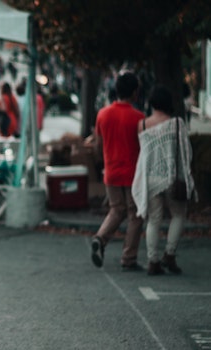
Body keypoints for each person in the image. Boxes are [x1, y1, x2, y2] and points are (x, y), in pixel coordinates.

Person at [132, 86, 194, 275]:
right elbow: (186, 152)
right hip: (172, 177)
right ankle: (170, 254)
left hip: (150, 178)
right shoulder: (177, 124)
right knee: (178, 215)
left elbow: (144, 153)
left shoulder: (142, 124)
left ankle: (153, 261)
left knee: (153, 220)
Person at [90, 72, 145, 271]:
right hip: (132, 173)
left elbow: (97, 145)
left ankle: (100, 238)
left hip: (111, 171)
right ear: (134, 93)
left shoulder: (103, 114)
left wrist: (102, 163)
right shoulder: (139, 118)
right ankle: (128, 258)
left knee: (116, 209)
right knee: (135, 215)